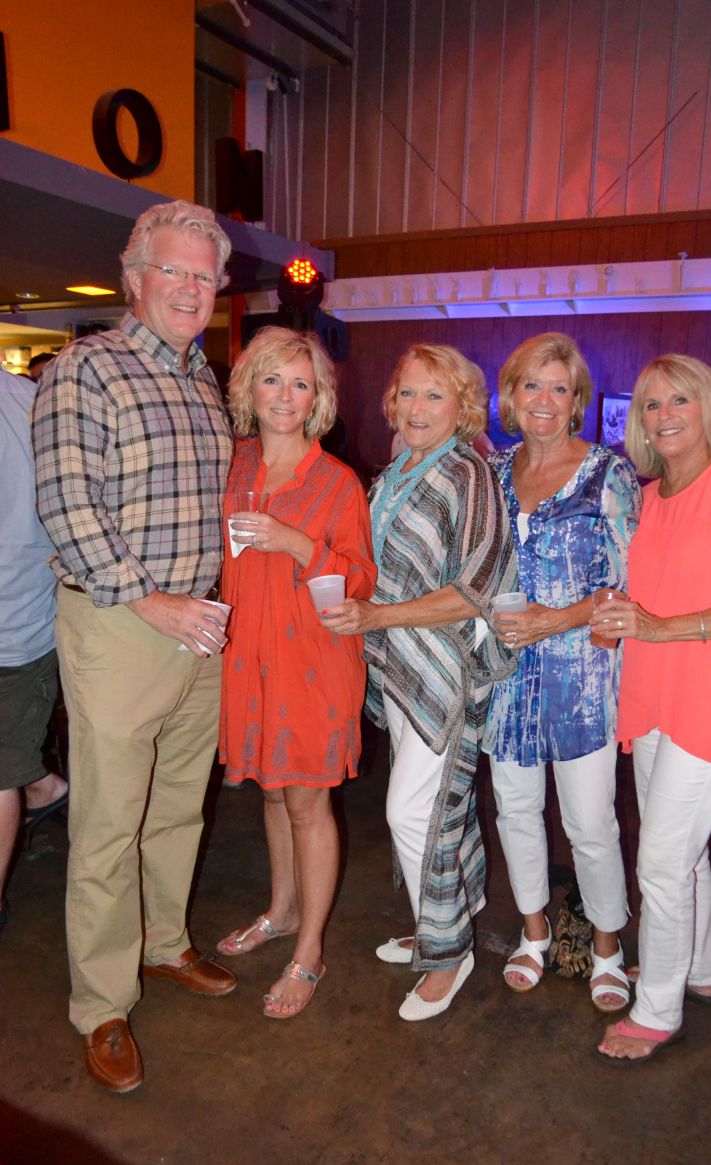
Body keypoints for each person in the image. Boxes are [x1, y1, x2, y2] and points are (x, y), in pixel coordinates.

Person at [31, 200, 237, 1094]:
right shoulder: (85, 371)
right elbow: (70, 512)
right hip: (124, 624)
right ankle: (103, 1003)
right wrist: (155, 604)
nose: (193, 289)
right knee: (110, 823)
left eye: (207, 275)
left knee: (180, 806)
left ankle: (162, 945)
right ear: (135, 278)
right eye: (177, 271)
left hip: (200, 627)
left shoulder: (205, 380)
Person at [592, 354, 711, 1065]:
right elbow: (650, 593)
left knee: (663, 859)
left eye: (680, 399)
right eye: (650, 404)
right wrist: (618, 618)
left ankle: (658, 1009)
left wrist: (660, 627)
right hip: (656, 690)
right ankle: (698, 971)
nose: (665, 414)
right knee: (683, 852)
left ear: (709, 407)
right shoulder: (647, 496)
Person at [323, 344, 517, 1021]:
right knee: (442, 811)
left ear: (461, 405)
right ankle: (445, 916)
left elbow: (478, 591)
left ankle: (448, 952)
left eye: (434, 396)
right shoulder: (397, 472)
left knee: (410, 810)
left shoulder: (469, 474)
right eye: (406, 393)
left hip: (448, 671)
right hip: (400, 667)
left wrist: (378, 614)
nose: (416, 408)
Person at [215, 327, 376, 1019]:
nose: (286, 395)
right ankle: (280, 911)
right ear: (250, 387)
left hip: (313, 662)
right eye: (272, 380)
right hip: (248, 655)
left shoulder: (336, 481)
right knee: (272, 794)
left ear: (318, 400)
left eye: (300, 383)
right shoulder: (235, 462)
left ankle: (309, 949)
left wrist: (298, 544)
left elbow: (362, 581)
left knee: (307, 801)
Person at [482, 333, 641, 1010]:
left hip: (583, 677)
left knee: (589, 822)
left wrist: (557, 618)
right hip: (505, 674)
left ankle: (608, 946)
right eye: (531, 386)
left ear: (577, 401)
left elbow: (631, 585)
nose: (544, 401)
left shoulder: (608, 473)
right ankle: (535, 932)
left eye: (560, 389)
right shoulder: (490, 472)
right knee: (515, 810)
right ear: (510, 396)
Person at [0, 368, 69, 933]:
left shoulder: (31, 401)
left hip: (15, 624)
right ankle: (43, 784)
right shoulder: (34, 400)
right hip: (25, 620)